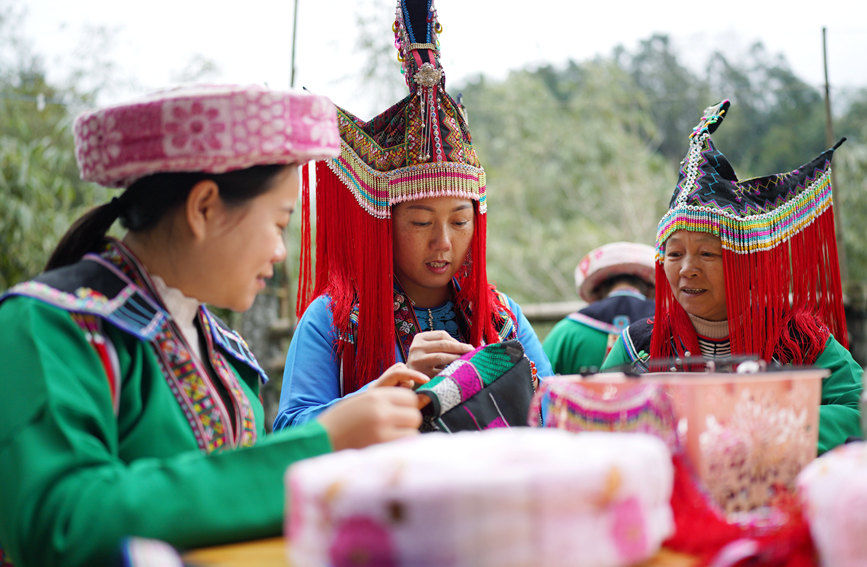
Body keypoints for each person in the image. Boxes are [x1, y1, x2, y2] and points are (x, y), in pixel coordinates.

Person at [0, 85, 429, 567]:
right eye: (279, 222)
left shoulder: (224, 353)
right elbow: (58, 521)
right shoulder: (47, 326)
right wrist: (318, 446)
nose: (280, 251)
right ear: (204, 208)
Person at [273, 0, 553, 430]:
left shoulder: (502, 318)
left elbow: (553, 411)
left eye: (460, 222)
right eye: (421, 222)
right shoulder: (335, 320)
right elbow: (292, 429)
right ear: (384, 222)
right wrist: (390, 390)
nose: (443, 241)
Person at [601, 100, 863, 455]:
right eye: (674, 254)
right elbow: (599, 415)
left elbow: (855, 409)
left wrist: (767, 433)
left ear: (746, 265)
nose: (687, 269)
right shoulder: (641, 344)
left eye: (708, 254)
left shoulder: (799, 338)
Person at [543, 241, 655, 374]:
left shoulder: (566, 332)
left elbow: (537, 381)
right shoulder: (667, 328)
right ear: (650, 290)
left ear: (597, 290)